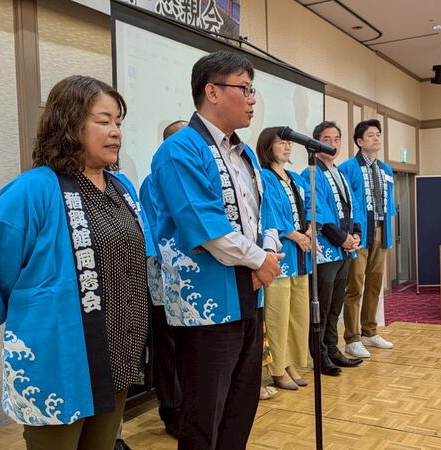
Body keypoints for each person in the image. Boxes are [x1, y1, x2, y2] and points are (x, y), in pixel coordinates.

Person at [0, 75, 155, 450]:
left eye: (118, 122)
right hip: (59, 355)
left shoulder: (123, 189)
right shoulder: (33, 188)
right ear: (69, 123)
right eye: (103, 121)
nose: (115, 132)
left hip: (118, 349)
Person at [149, 50, 283, 450]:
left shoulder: (244, 155)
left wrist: (269, 254)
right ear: (212, 91)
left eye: (251, 89)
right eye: (244, 88)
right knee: (205, 410)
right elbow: (204, 226)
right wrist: (261, 260)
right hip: (206, 302)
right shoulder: (181, 149)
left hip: (250, 295)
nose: (252, 99)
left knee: (241, 404)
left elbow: (267, 215)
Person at [302, 121, 364, 377]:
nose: (333, 143)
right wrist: (342, 238)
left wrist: (357, 234)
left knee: (337, 302)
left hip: (344, 249)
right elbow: (319, 212)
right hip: (327, 248)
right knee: (323, 304)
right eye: (327, 138)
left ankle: (333, 347)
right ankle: (321, 355)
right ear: (316, 143)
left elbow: (354, 207)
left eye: (337, 138)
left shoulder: (339, 172)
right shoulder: (311, 172)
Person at [138, 119, 187, 439]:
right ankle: (171, 410)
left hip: (194, 281)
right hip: (164, 278)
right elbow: (155, 234)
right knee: (169, 349)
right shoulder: (153, 180)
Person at [256, 127, 311, 390]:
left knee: (298, 314)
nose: (287, 147)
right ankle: (278, 367)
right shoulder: (264, 177)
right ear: (268, 147)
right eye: (281, 143)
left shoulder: (295, 178)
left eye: (289, 143)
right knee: (278, 315)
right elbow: (268, 214)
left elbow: (309, 207)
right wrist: (294, 234)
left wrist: (310, 228)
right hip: (281, 254)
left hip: (302, 256)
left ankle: (291, 362)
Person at [339, 119, 397, 358]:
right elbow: (344, 204)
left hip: (382, 231)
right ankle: (352, 338)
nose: (376, 138)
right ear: (360, 142)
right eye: (370, 135)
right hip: (359, 233)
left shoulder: (386, 169)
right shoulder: (348, 168)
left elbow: (390, 204)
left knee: (375, 285)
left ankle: (369, 331)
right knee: (355, 286)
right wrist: (351, 232)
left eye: (378, 134)